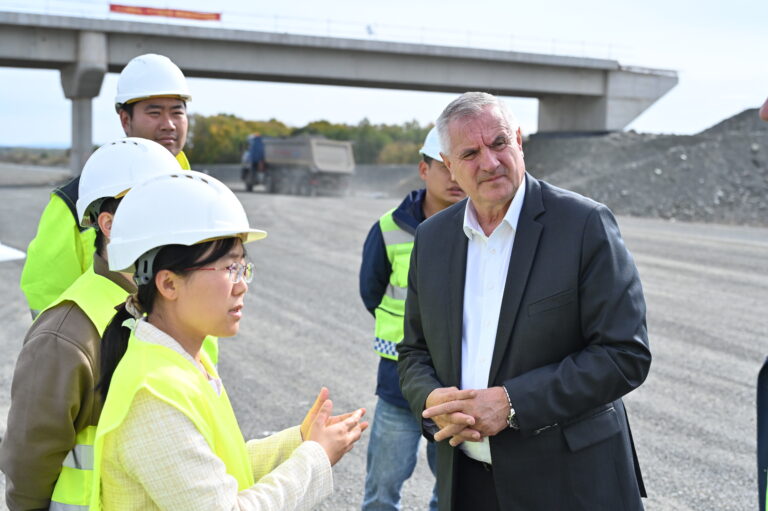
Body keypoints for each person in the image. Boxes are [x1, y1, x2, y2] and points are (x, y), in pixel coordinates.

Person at [396, 92, 651, 511]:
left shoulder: (583, 224)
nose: (490, 162)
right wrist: (430, 400)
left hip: (570, 486)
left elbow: (624, 354)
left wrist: (513, 403)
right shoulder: (432, 238)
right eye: (470, 153)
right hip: (466, 484)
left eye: (499, 143)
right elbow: (413, 352)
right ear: (449, 164)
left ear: (518, 140)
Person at [90, 171, 368, 510]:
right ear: (169, 284)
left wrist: (299, 440)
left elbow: (219, 468)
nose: (242, 285)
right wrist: (315, 456)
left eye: (243, 268)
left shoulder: (184, 361)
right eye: (228, 268)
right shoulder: (152, 395)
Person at [0, 138, 182, 511]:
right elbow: (29, 463)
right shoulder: (67, 334)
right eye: (154, 208)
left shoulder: (168, 311)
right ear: (109, 224)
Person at [20, 53, 192, 318]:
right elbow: (47, 294)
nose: (168, 124)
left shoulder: (197, 194)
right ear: (125, 120)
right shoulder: (76, 200)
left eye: (177, 112)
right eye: (154, 112)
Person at [359, 127, 465, 510]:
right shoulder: (388, 228)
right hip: (399, 381)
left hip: (457, 384)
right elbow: (371, 291)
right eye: (444, 166)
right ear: (424, 169)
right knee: (382, 491)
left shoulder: (482, 227)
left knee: (452, 494)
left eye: (460, 164)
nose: (455, 177)